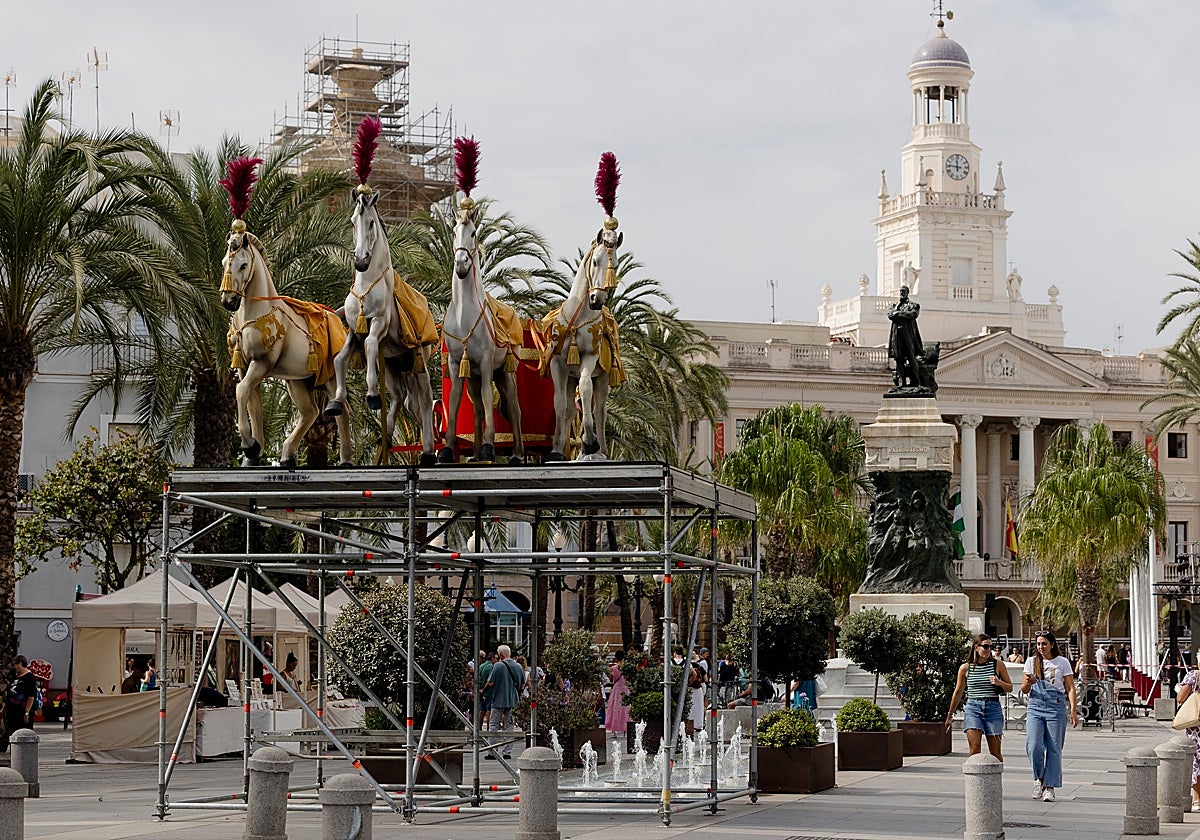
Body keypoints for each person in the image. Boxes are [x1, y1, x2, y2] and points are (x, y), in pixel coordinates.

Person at [1022, 631, 1078, 803]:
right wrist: (1028, 683)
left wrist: (1073, 710)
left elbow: (1070, 687)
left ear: (1052, 644)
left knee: (1054, 747)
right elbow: (1023, 689)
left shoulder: (1062, 662)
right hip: (1036, 705)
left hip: (1056, 705)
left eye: (1044, 644)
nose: (1041, 647)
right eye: (1038, 644)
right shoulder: (1032, 662)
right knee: (1034, 745)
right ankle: (1038, 779)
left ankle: (1050, 786)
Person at [945, 634, 1012, 761]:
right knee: (974, 749)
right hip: (973, 708)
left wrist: (999, 682)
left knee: (995, 753)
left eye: (990, 647)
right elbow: (958, 692)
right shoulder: (965, 668)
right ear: (976, 647)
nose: (988, 650)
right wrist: (950, 715)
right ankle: (975, 780)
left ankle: (996, 780)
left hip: (993, 707)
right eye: (985, 647)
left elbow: (1010, 687)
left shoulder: (997, 665)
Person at [483, 644, 525, 760]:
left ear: (501, 654)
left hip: (499, 700)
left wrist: (483, 691)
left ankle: (493, 751)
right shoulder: (518, 666)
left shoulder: (498, 666)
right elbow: (522, 684)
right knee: (510, 725)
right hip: (513, 700)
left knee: (493, 725)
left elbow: (490, 683)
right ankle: (507, 751)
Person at [887, 284, 923, 388]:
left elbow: (912, 315)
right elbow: (890, 315)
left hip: (908, 334)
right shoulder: (894, 306)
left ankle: (916, 381)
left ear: (907, 293)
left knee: (911, 357)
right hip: (897, 335)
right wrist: (899, 312)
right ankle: (902, 383)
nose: (901, 293)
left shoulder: (914, 305)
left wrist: (898, 314)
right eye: (900, 291)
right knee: (899, 359)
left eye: (903, 291)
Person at [1175, 666, 1200, 811]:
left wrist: (1180, 690)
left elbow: (1181, 698)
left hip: (1196, 725)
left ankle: (1197, 799)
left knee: (1196, 760)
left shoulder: (1194, 676)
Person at [3, 656, 38, 751]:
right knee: (12, 732)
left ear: (20, 664)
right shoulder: (15, 676)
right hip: (12, 711)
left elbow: (31, 696)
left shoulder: (29, 677)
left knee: (22, 732)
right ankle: (14, 752)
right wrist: (4, 707)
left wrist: (27, 712)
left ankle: (24, 753)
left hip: (22, 711)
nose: (13, 667)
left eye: (14, 664)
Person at [605, 650, 630, 737]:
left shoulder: (613, 668)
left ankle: (614, 730)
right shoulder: (627, 667)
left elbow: (612, 679)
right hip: (625, 688)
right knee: (626, 708)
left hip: (616, 689)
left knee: (615, 708)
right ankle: (626, 729)